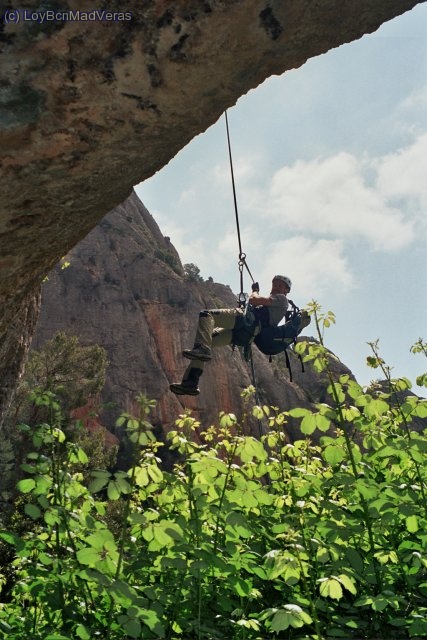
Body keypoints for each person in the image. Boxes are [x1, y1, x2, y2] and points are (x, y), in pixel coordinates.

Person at [170, 275, 292, 396]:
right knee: (208, 341)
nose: (275, 287)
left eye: (280, 286)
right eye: (274, 284)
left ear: (286, 290)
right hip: (246, 335)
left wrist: (254, 291)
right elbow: (259, 304)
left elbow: (253, 300)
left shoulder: (282, 299)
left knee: (207, 315)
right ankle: (191, 382)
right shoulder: (273, 304)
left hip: (245, 322)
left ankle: (202, 350)